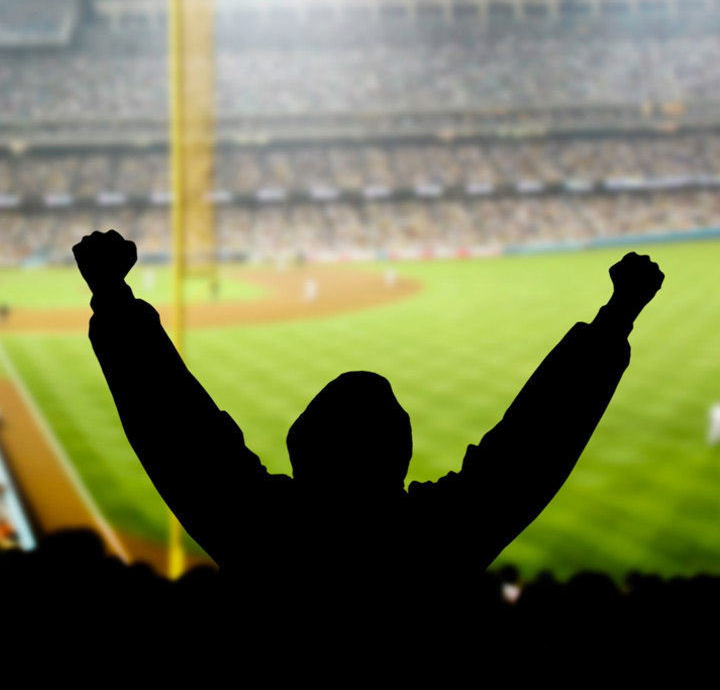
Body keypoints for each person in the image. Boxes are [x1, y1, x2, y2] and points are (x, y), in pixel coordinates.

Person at [73, 229, 664, 626]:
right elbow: (532, 448)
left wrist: (114, 298)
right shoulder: (439, 540)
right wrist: (616, 317)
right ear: (400, 453)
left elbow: (178, 431)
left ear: (300, 445)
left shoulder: (260, 530)